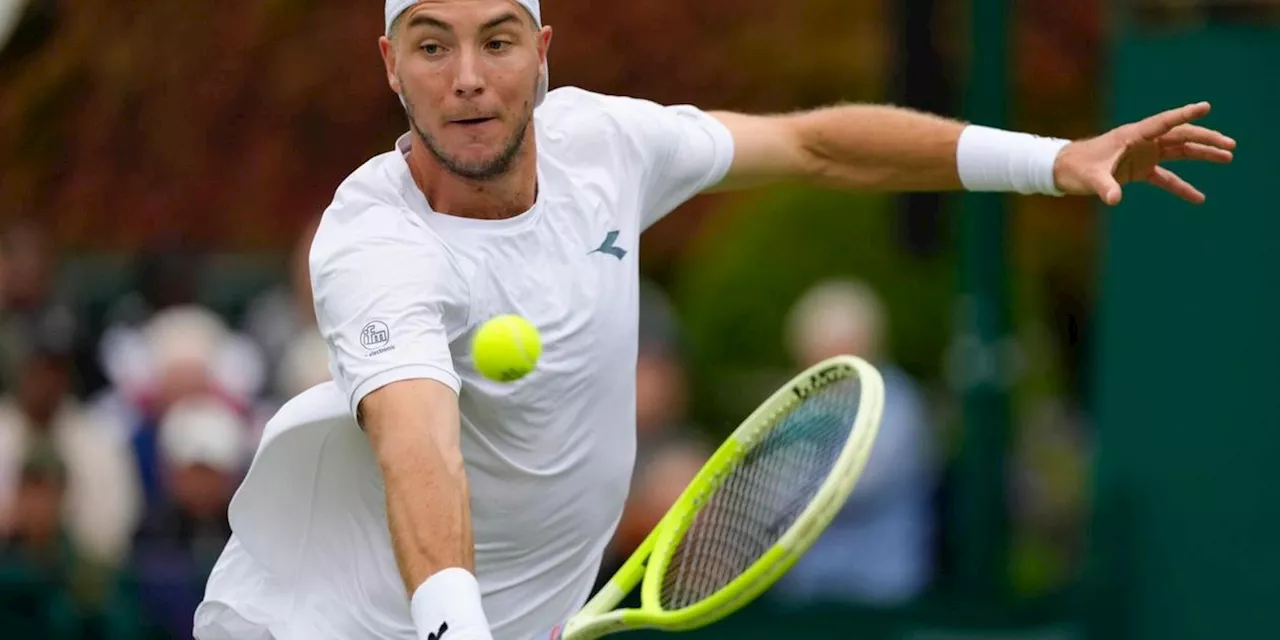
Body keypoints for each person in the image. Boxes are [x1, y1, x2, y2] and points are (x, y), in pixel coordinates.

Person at [194, 1, 1236, 639]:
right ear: (390, 64)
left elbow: (816, 146)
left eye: (496, 40)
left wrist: (1048, 161)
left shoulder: (606, 146)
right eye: (431, 45)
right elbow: (420, 446)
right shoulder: (373, 242)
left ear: (540, 51)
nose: (467, 76)